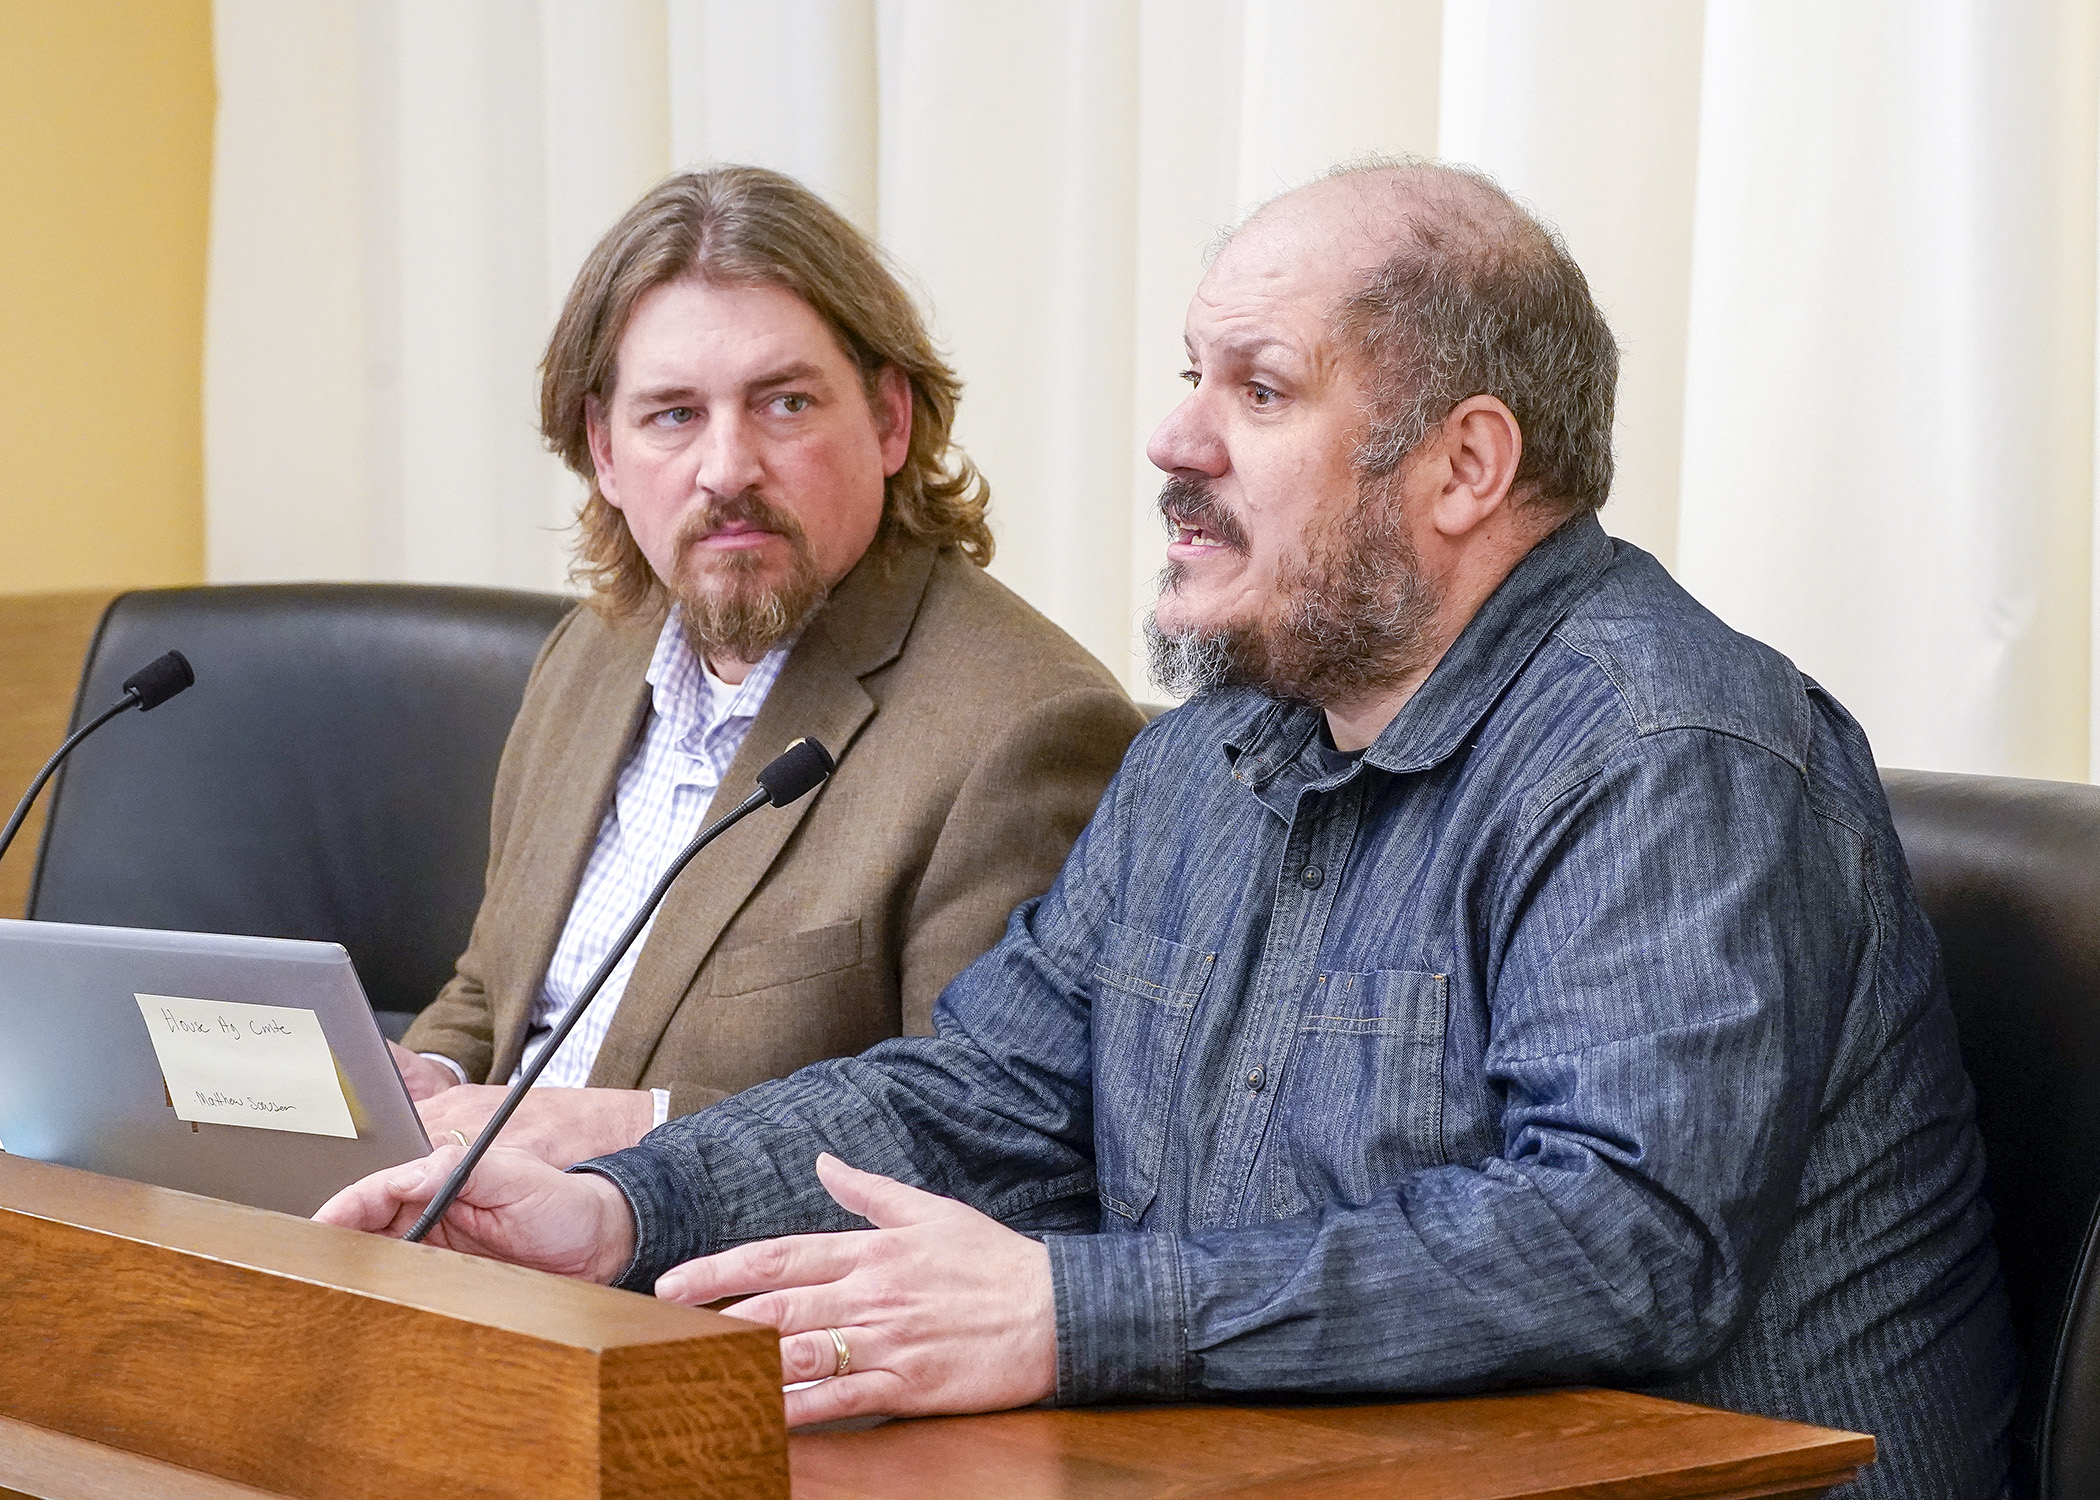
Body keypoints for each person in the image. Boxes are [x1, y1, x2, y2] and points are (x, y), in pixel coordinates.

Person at [327, 160, 2017, 1497]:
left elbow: (1619, 1244)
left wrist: (1070, 1314)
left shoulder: (1669, 751)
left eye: (1259, 390)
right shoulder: (1213, 754)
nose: (1174, 439)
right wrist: (625, 1207)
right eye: (1188, 377)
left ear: (1462, 465)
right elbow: (986, 1094)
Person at [388, 165, 1145, 1168]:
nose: (727, 467)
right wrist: (421, 1082)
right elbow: (495, 990)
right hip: (468, 1234)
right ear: (604, 454)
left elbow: (982, 1140)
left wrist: (632, 1131)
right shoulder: (589, 655)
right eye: (672, 414)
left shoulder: (1025, 729)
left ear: (888, 422)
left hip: (711, 1296)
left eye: (784, 404)